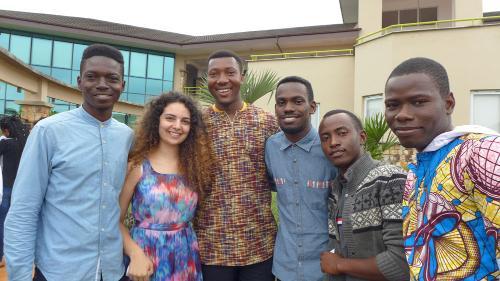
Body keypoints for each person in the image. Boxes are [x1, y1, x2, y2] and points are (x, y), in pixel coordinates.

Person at [4, 44, 134, 281]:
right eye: (92, 76)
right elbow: (24, 209)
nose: (102, 84)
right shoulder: (48, 132)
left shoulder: (127, 136)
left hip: (113, 271)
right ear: (79, 81)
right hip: (59, 272)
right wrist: (20, 275)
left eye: (112, 78)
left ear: (122, 85)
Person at [384, 57, 499, 280]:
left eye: (418, 102)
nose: (402, 114)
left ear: (448, 103)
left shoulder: (481, 152)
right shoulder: (416, 168)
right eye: (392, 105)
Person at [194, 50, 277, 281]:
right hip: (211, 246)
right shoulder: (195, 123)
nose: (222, 80)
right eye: (214, 74)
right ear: (207, 80)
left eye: (230, 72)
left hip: (259, 245)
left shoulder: (267, 122)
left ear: (243, 77)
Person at [119, 92, 212, 281]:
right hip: (145, 258)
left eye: (185, 121)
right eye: (170, 118)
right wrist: (135, 254)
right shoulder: (138, 165)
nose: (177, 126)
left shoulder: (196, 166)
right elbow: (115, 220)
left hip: (185, 258)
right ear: (156, 121)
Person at [318, 109, 409, 281]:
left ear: (362, 137)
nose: (333, 142)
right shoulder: (335, 190)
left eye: (342, 133)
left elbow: (401, 263)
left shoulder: (390, 179)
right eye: (325, 138)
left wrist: (339, 265)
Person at [264, 76, 336, 281]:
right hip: (283, 268)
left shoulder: (331, 148)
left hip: (325, 269)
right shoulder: (271, 147)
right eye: (281, 102)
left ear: (312, 107)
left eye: (297, 101)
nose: (288, 108)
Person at [0, 115, 29, 267]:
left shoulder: (6, 144)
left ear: (6, 130)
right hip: (24, 189)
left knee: (3, 222)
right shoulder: (27, 142)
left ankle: (1, 256)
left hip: (7, 188)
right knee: (21, 223)